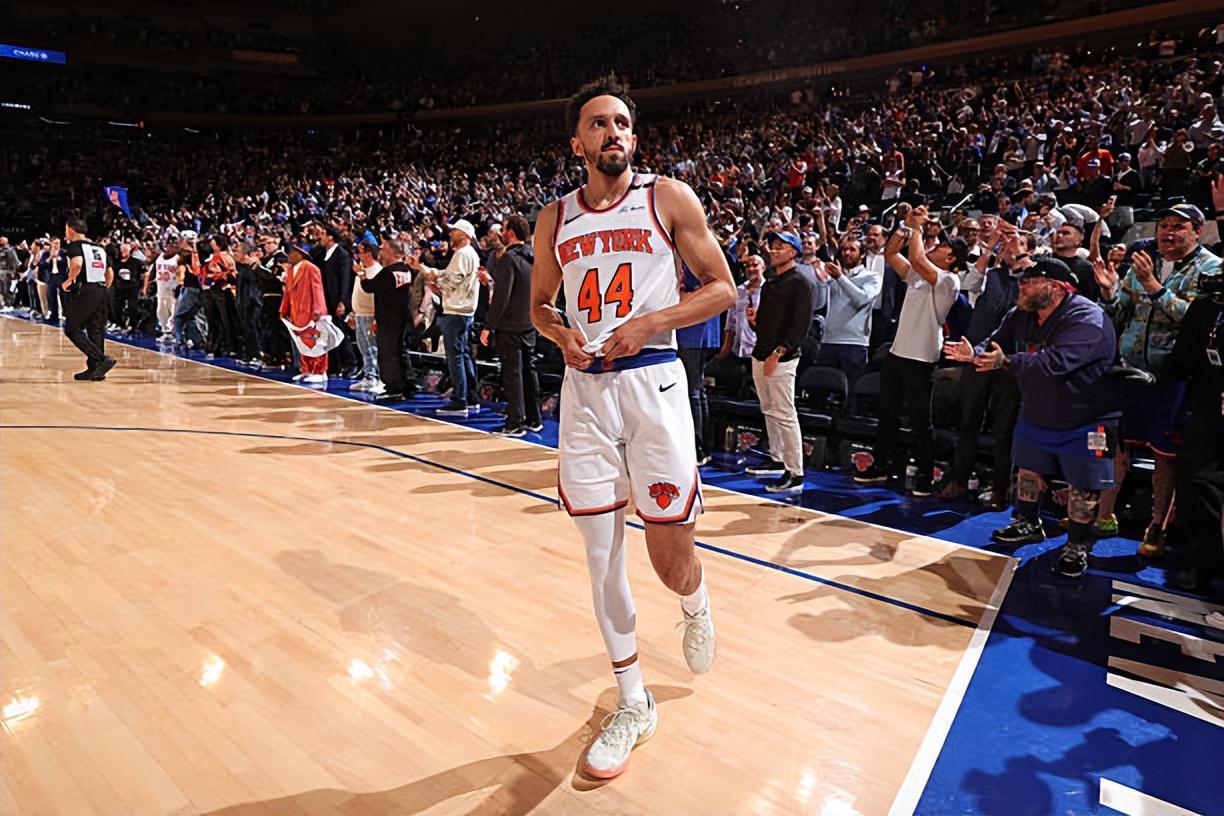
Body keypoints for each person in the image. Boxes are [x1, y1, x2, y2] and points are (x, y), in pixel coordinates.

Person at [530, 79, 735, 780]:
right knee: (601, 555)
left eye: (621, 122)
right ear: (577, 143)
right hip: (586, 391)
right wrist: (559, 334)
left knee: (669, 559)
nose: (612, 131)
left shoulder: (667, 197)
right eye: (598, 124)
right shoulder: (555, 216)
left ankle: (695, 602)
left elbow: (722, 287)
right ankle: (632, 701)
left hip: (654, 382)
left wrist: (651, 321)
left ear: (634, 138)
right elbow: (540, 305)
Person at [946, 257, 1120, 577]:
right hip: (1039, 409)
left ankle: (1077, 544)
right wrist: (977, 353)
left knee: (1083, 485)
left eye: (1030, 281)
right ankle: (1027, 522)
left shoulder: (1087, 317)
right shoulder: (1021, 315)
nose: (1022, 287)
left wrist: (1005, 362)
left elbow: (1055, 363)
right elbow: (997, 342)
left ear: (1056, 288)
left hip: (1086, 416)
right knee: (1028, 470)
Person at [1096, 204, 1220, 551]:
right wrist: (1108, 293)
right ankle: (1103, 515)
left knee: (1165, 453)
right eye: (1164, 225)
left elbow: (1197, 319)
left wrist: (1154, 285)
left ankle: (1157, 528)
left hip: (1174, 376)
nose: (1167, 232)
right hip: (1130, 370)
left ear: (1198, 231)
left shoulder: (1212, 268)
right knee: (1116, 444)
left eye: (1178, 226)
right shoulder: (1143, 261)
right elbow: (1120, 313)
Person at [854, 207, 962, 496]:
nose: (936, 246)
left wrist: (917, 228)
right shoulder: (918, 275)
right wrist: (904, 226)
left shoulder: (949, 281)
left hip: (922, 357)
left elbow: (916, 257)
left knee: (919, 420)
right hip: (898, 352)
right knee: (887, 413)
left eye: (943, 246)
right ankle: (881, 464)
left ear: (951, 258)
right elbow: (891, 253)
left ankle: (925, 473)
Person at [744, 230, 816, 493]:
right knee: (769, 409)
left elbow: (800, 326)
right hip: (761, 353)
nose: (773, 250)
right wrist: (754, 323)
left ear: (793, 252)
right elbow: (765, 325)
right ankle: (776, 458)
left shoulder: (801, 282)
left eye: (780, 246)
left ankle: (795, 472)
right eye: (772, 246)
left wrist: (778, 353)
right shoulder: (770, 284)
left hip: (781, 358)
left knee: (785, 413)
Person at [410, 219, 481, 416]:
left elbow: (451, 280)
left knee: (455, 357)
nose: (450, 234)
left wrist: (436, 284)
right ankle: (471, 397)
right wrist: (424, 269)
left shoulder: (463, 254)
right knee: (464, 355)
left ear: (464, 234)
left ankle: (459, 401)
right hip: (464, 312)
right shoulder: (468, 254)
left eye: (454, 230)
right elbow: (447, 274)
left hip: (456, 312)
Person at [482, 214, 542, 437]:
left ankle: (516, 422)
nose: (501, 232)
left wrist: (489, 325)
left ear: (512, 232)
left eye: (504, 228)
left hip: (510, 325)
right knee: (528, 371)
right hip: (529, 322)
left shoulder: (509, 258)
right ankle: (534, 418)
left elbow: (502, 297)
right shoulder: (533, 256)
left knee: (513, 374)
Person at [61, 217, 116, 381]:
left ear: (71, 230)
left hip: (88, 288)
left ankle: (101, 359)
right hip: (102, 289)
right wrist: (104, 287)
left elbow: (77, 264)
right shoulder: (99, 248)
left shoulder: (75, 246)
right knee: (95, 329)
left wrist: (70, 280)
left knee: (71, 328)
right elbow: (109, 273)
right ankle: (95, 369)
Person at [361, 239, 416, 402]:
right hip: (402, 318)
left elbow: (369, 287)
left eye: (383, 249)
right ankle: (408, 386)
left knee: (388, 355)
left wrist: (361, 274)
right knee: (401, 353)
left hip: (389, 320)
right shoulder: (406, 270)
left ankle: (393, 388)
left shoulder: (387, 272)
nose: (381, 252)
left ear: (392, 251)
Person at [278, 243, 330, 385]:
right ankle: (306, 369)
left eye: (292, 252)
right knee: (301, 342)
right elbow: (288, 293)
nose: (289, 255)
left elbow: (317, 290)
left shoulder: (311, 269)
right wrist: (284, 309)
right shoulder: (290, 270)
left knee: (315, 341)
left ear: (300, 254)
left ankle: (320, 371)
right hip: (296, 311)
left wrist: (319, 309)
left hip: (310, 311)